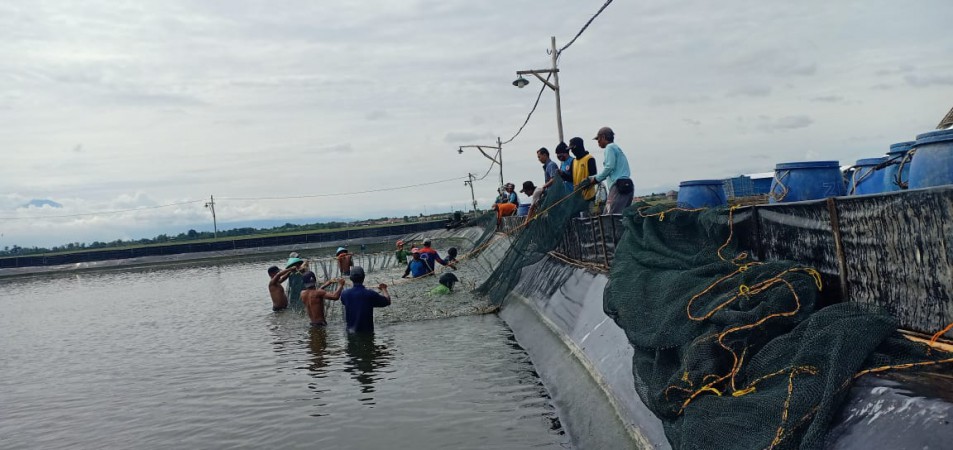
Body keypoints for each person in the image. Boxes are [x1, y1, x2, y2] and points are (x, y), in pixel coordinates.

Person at [588, 126, 634, 214]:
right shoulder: (616, 148)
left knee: (609, 216)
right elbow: (610, 170)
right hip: (627, 184)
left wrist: (596, 179)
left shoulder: (609, 148)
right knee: (621, 216)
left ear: (603, 137)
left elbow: (609, 167)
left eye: (598, 139)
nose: (598, 142)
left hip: (618, 186)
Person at [339, 266, 391, 334]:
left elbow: (344, 302)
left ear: (351, 278)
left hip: (350, 333)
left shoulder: (344, 294)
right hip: (367, 333)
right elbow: (387, 301)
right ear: (364, 277)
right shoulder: (370, 294)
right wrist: (384, 289)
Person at [565, 137, 598, 203]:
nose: (571, 151)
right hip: (577, 198)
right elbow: (571, 178)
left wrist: (586, 183)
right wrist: (562, 174)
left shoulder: (589, 159)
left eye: (572, 148)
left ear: (578, 147)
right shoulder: (573, 161)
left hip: (589, 197)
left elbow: (594, 177)